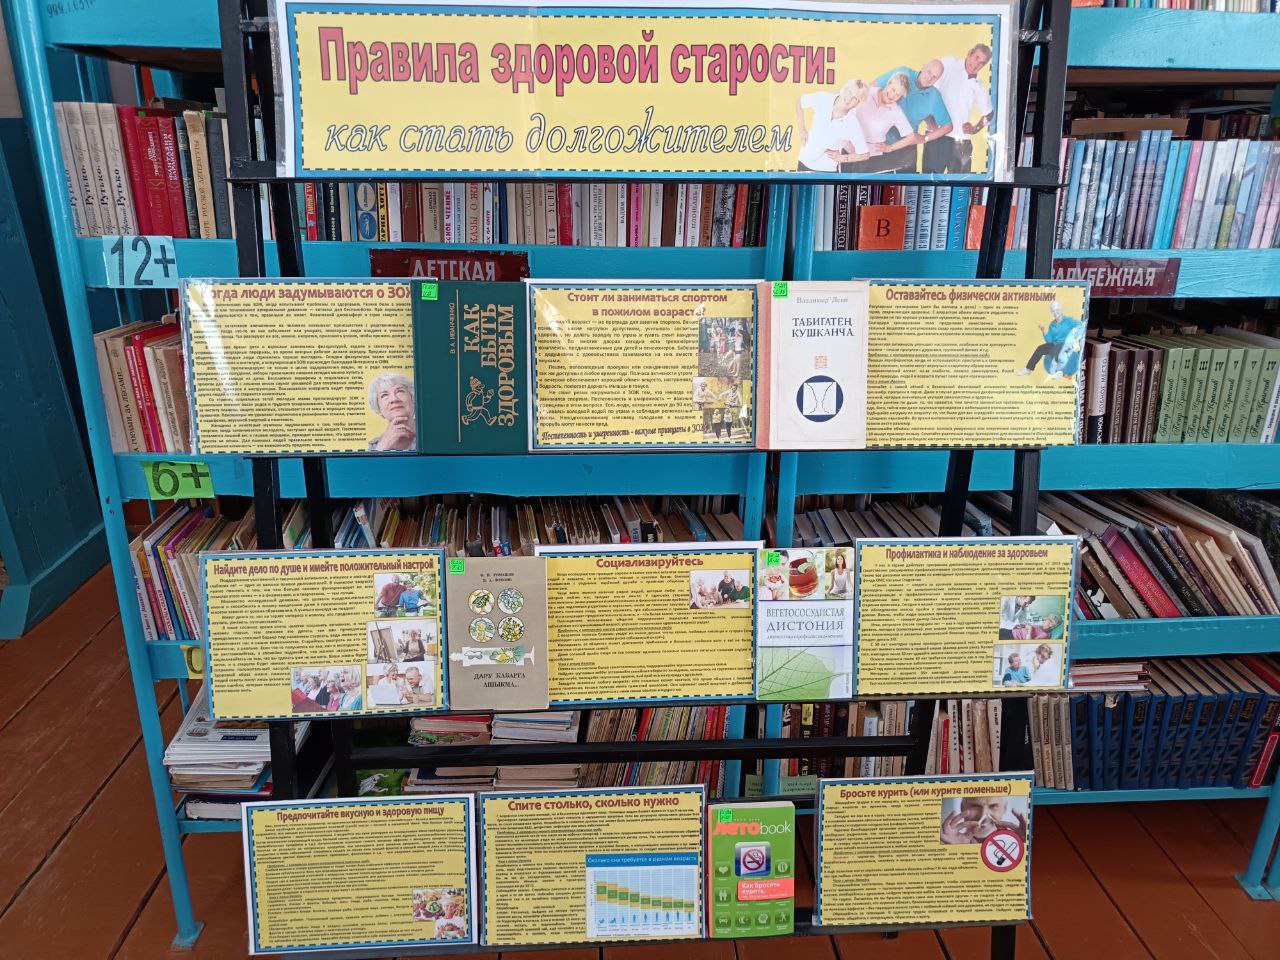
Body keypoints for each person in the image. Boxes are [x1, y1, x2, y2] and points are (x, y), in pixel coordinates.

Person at [873, 59, 953, 169]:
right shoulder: (903, 73)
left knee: (905, 180)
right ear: (923, 67)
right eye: (929, 72)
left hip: (905, 148)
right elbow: (872, 88)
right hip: (879, 140)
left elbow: (948, 126)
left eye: (934, 77)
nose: (929, 78)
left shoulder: (934, 96)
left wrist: (924, 138)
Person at [928, 43, 994, 174]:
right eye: (976, 57)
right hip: (936, 135)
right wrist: (930, 121)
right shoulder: (950, 63)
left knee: (960, 184)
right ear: (970, 53)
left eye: (981, 63)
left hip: (961, 142)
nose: (976, 64)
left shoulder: (979, 86)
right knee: (929, 181)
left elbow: (989, 114)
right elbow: (928, 85)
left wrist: (975, 128)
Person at [834, 74, 917, 174]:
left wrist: (890, 148)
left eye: (898, 95)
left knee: (859, 183)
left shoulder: (896, 112)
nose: (893, 95)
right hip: (848, 147)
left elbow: (911, 137)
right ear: (888, 83)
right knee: (841, 180)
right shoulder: (868, 91)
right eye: (893, 89)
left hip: (870, 157)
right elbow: (844, 100)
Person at [794, 79, 872, 172]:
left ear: (858, 103)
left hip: (826, 170)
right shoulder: (824, 98)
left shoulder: (852, 124)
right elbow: (800, 102)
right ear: (845, 88)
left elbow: (865, 155)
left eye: (855, 98)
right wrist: (802, 129)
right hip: (804, 160)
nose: (849, 99)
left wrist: (842, 158)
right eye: (850, 92)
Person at [1016, 301, 1085, 380]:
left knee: (1057, 350)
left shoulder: (1068, 320)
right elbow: (1050, 340)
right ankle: (1028, 369)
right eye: (1053, 311)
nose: (1055, 312)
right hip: (1055, 345)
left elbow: (1081, 325)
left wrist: (1076, 337)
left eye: (1057, 310)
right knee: (1040, 348)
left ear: (1061, 309)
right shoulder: (1052, 325)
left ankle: (1060, 372)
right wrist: (1043, 331)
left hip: (1065, 344)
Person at [940, 795, 1027, 844]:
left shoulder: (1015, 843)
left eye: (993, 806)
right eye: (975, 806)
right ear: (962, 807)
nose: (983, 815)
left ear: (1004, 808)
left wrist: (1023, 846)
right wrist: (954, 852)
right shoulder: (944, 842)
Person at [368, 372, 417, 451]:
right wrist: (381, 448)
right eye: (384, 395)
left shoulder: (432, 433)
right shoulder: (376, 446)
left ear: (413, 398)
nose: (394, 399)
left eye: (400, 391)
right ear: (378, 408)